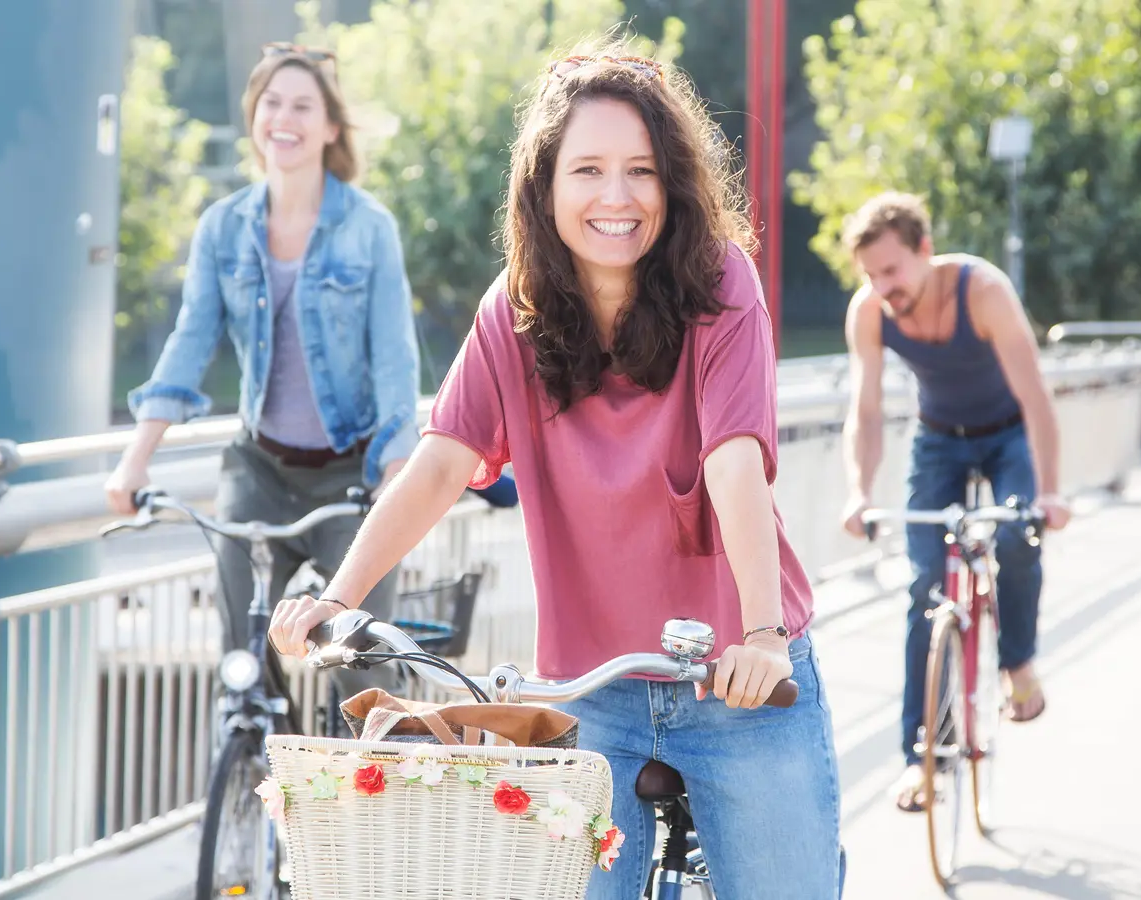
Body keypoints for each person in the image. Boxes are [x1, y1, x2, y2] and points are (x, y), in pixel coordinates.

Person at [269, 45, 843, 899]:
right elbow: (442, 463)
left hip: (737, 685)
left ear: (674, 183)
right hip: (592, 696)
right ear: (544, 186)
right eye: (589, 170)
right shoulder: (516, 309)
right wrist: (340, 598)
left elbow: (734, 464)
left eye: (642, 171)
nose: (617, 197)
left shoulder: (722, 285)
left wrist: (762, 634)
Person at [104, 44, 418, 709]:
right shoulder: (223, 229)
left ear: (331, 126)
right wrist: (135, 461)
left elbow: (396, 360)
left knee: (359, 665)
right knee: (244, 660)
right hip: (261, 469)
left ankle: (371, 785)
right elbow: (190, 341)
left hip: (351, 471)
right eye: (271, 103)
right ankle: (263, 770)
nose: (285, 118)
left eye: (303, 105)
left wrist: (397, 474)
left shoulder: (369, 229)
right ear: (254, 118)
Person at [837, 191, 1071, 810]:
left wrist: (1049, 491)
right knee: (926, 592)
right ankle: (924, 760)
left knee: (1018, 537)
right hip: (938, 441)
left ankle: (1017, 664)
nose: (884, 287)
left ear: (924, 250)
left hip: (1007, 436)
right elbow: (864, 411)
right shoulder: (870, 311)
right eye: (871, 275)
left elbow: (1036, 399)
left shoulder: (983, 292)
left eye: (892, 270)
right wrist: (859, 492)